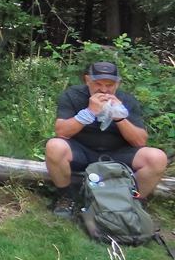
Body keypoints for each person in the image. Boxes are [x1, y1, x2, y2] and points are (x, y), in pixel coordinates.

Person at [46, 61, 168, 216]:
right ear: (87, 80)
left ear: (117, 84)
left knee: (157, 158)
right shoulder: (72, 95)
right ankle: (66, 197)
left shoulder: (127, 100)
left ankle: (133, 201)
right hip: (82, 151)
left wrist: (119, 117)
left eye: (109, 85)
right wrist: (89, 112)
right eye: (98, 84)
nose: (104, 90)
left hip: (118, 154)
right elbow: (62, 132)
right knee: (54, 146)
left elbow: (140, 141)